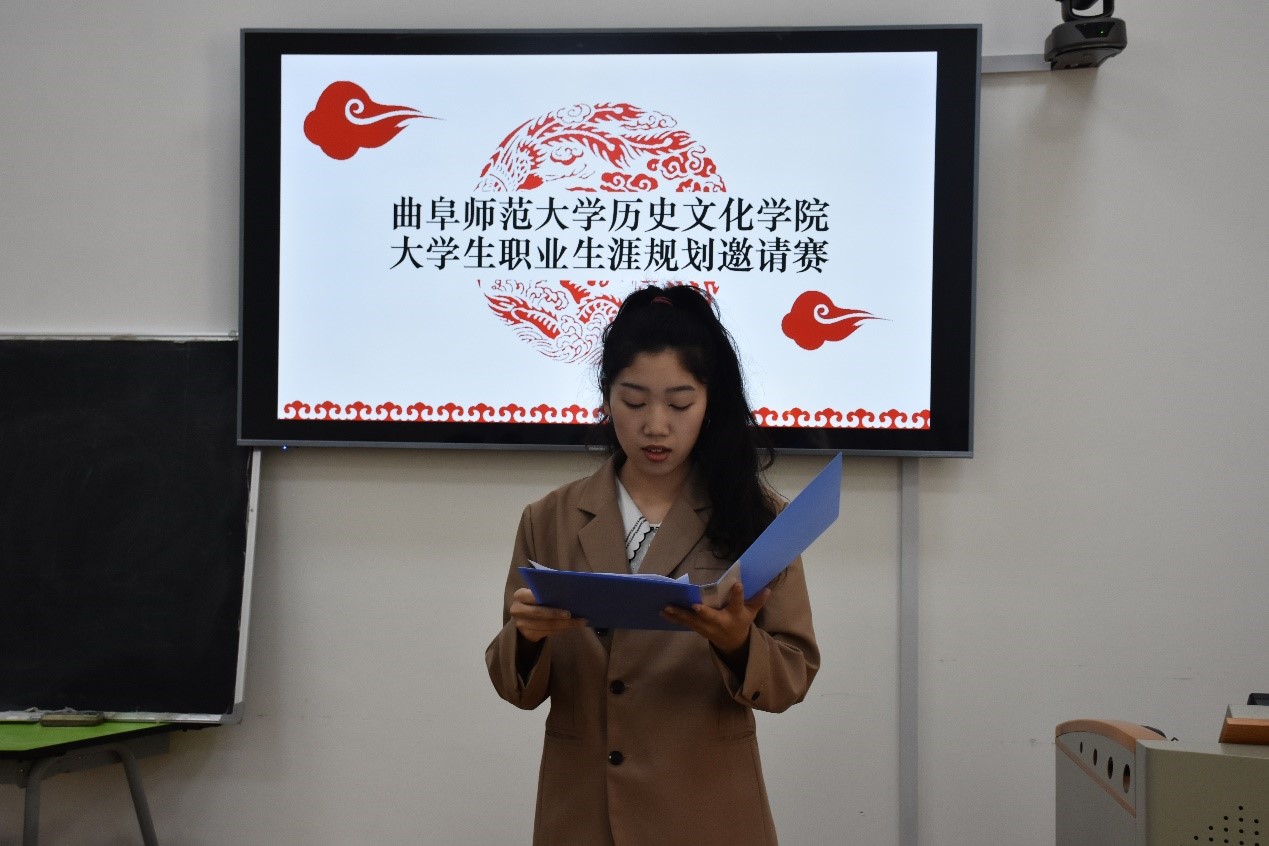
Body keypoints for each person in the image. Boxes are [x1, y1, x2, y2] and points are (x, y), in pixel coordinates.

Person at [485, 284, 819, 846]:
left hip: (707, 812)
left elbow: (792, 676)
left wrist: (739, 644)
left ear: (710, 403)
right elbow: (512, 685)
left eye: (679, 404)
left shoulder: (760, 519)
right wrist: (528, 637)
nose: (655, 425)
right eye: (634, 402)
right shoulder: (550, 518)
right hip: (582, 813)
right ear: (606, 396)